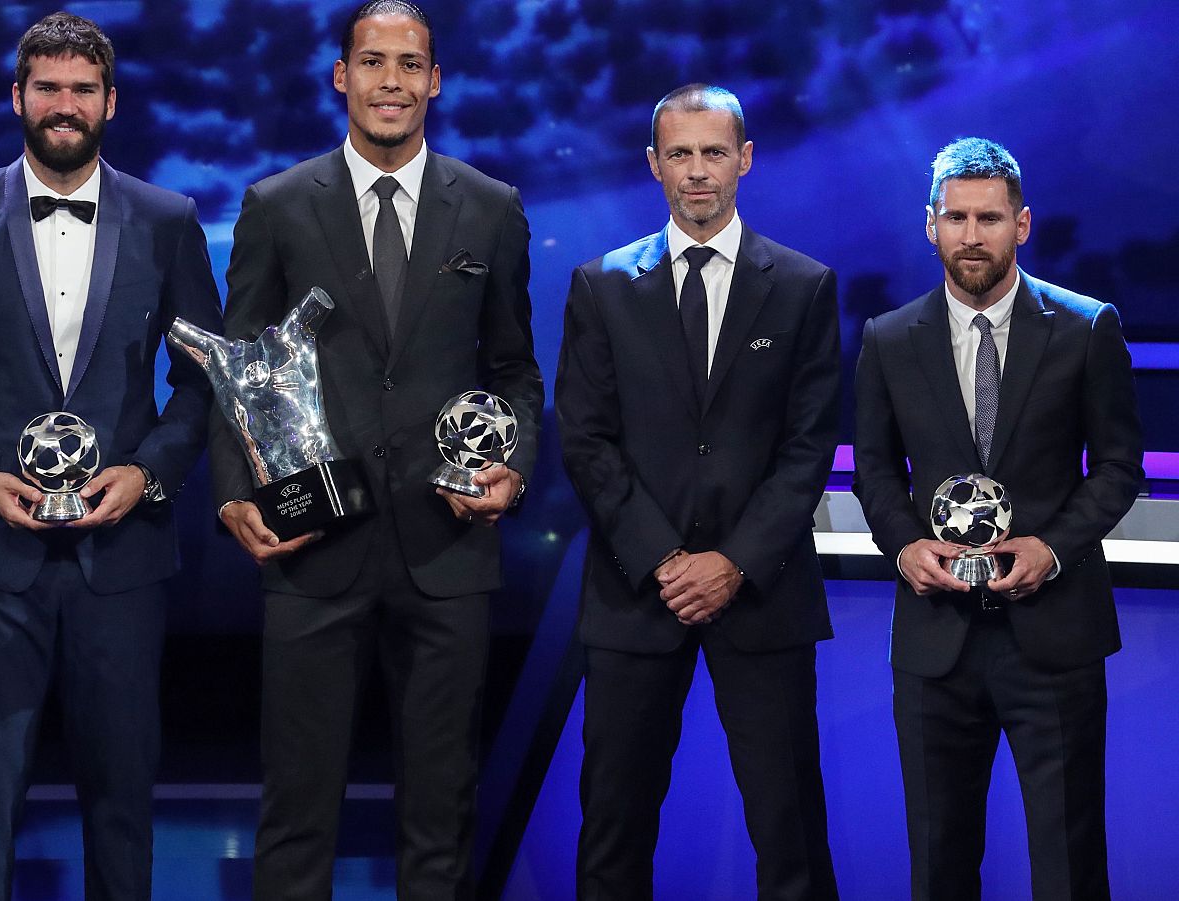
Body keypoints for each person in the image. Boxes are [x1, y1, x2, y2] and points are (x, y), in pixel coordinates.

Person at [0, 12, 222, 900]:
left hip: (125, 554)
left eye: (81, 90)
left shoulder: (166, 218)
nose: (64, 106)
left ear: (110, 102)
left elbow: (202, 383)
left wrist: (148, 472)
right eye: (48, 88)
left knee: (123, 795)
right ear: (18, 97)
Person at [211, 2, 542, 896]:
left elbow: (514, 371)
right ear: (341, 75)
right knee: (297, 806)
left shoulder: (491, 207)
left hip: (448, 546)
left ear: (435, 80)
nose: (390, 81)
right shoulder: (277, 206)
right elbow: (238, 369)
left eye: (409, 64)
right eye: (372, 62)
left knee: (441, 810)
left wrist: (513, 470)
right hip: (314, 543)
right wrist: (234, 494)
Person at [555, 83, 841, 900]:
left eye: (714, 152)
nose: (697, 171)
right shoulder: (600, 285)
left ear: (745, 160)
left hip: (764, 596)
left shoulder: (802, 285)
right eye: (679, 154)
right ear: (653, 165)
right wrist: (664, 559)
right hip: (634, 594)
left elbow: (808, 445)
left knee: (789, 829)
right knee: (613, 826)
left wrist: (733, 562)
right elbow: (586, 438)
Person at [852, 137, 1143, 901]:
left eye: (989, 217)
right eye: (956, 217)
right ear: (930, 225)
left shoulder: (1086, 327)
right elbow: (875, 470)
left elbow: (1118, 467)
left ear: (1023, 223)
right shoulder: (885, 338)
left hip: (1054, 635)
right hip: (933, 637)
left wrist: (1052, 547)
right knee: (939, 864)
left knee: (1069, 862)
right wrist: (905, 543)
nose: (971, 235)